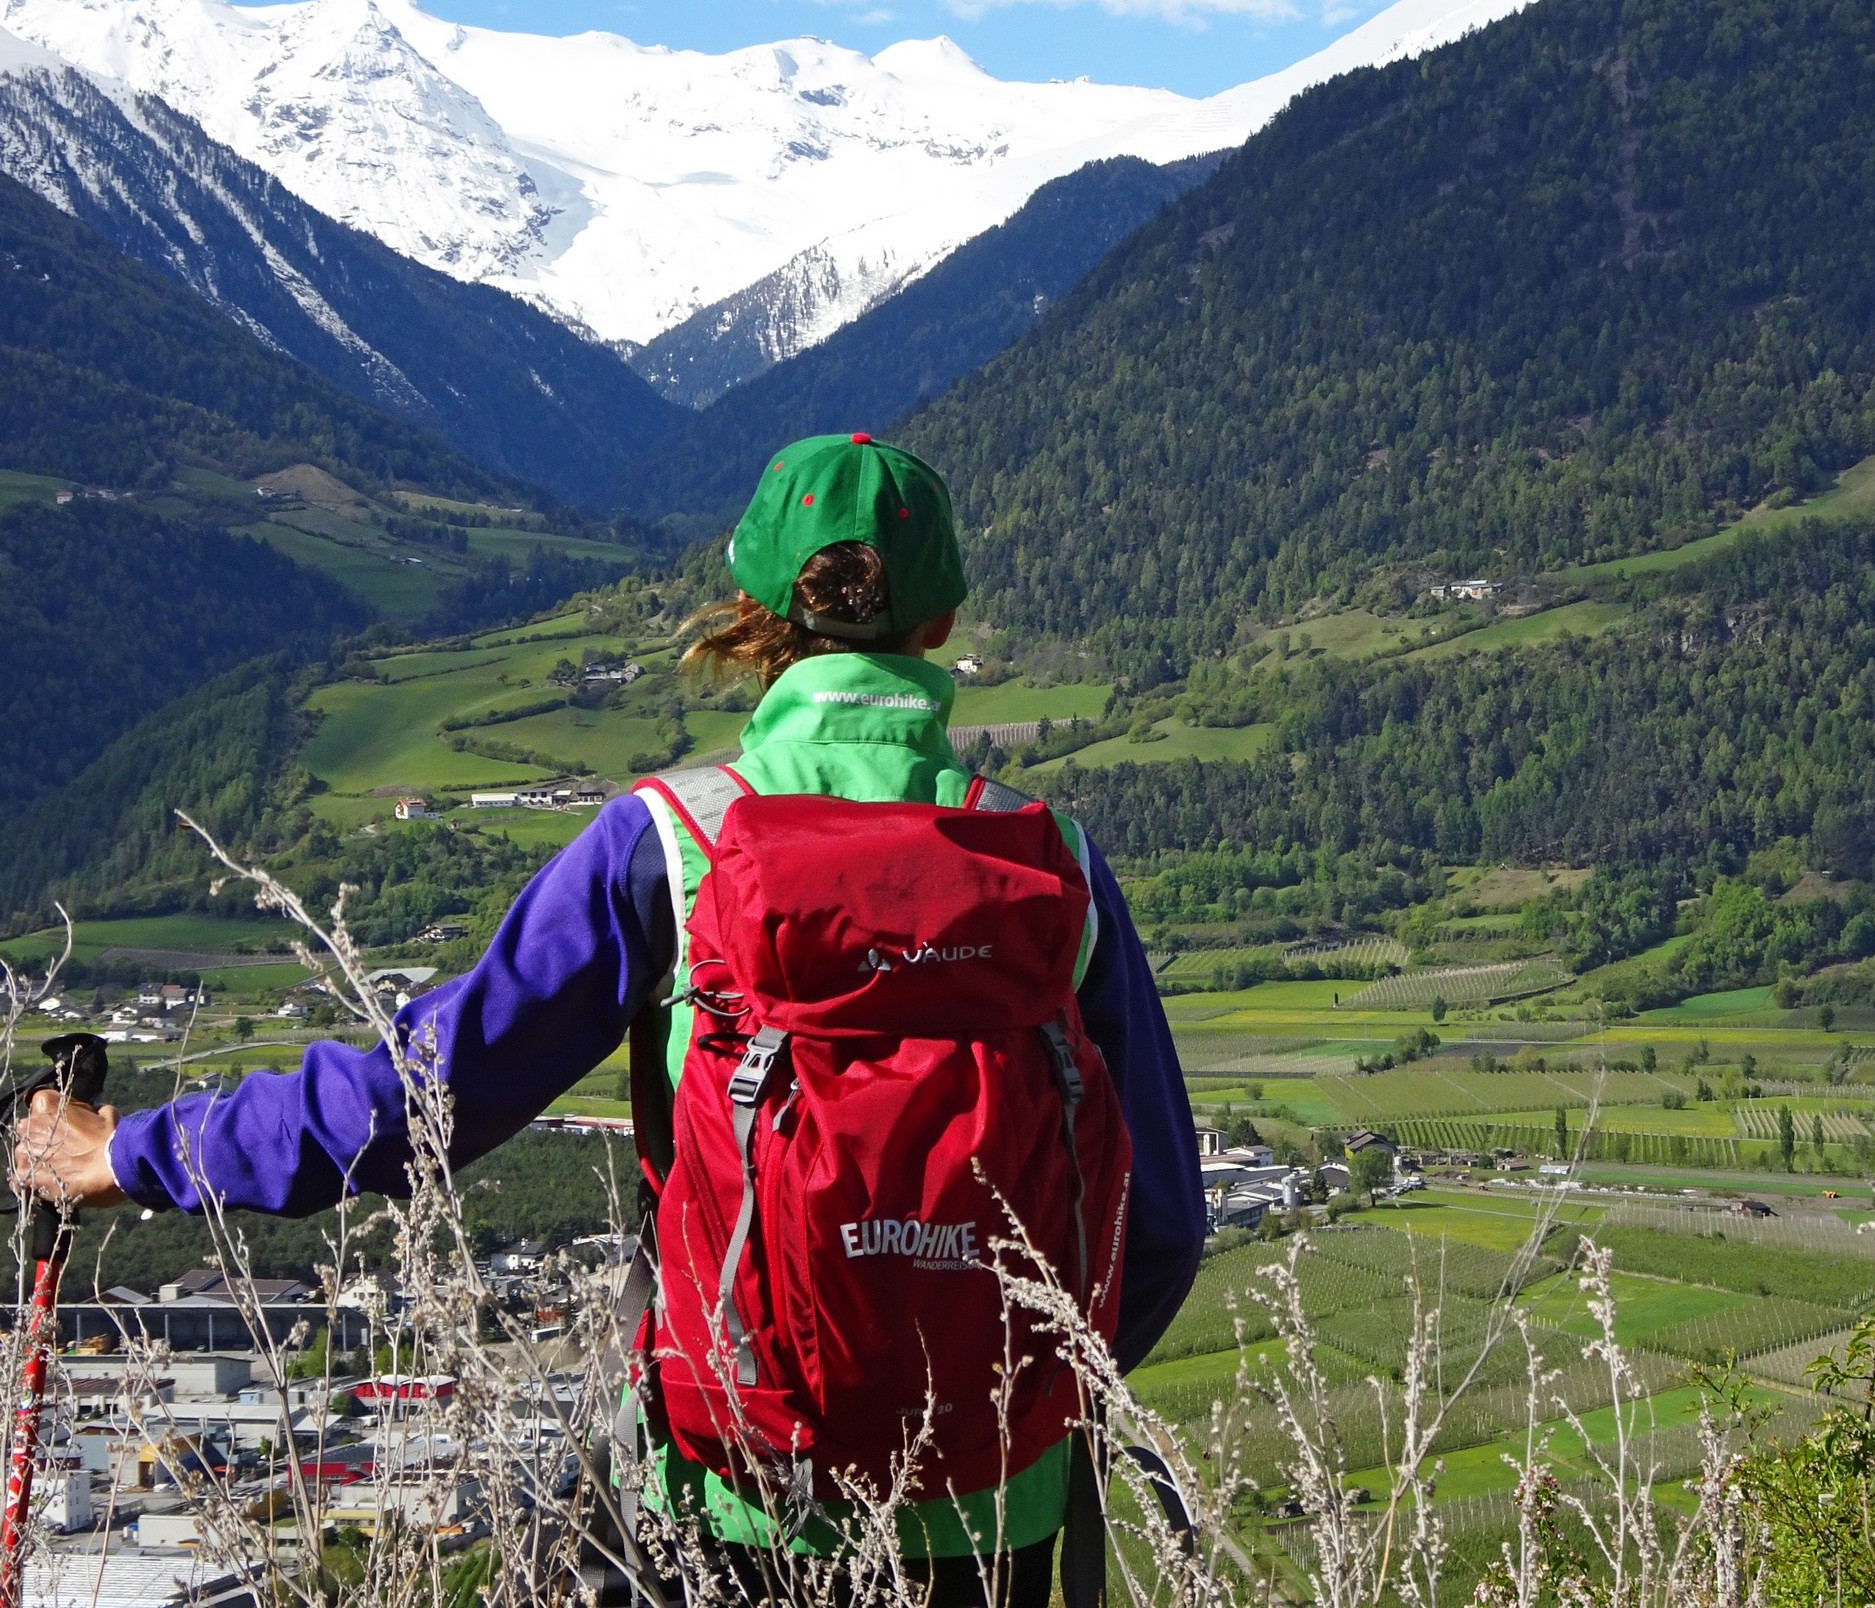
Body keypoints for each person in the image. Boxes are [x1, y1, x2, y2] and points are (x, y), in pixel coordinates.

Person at [13, 433, 1200, 1605]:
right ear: (939, 625)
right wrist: (1011, 1415)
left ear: (752, 612)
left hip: (731, 1490)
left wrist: (131, 1151)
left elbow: (417, 1101)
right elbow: (1159, 1228)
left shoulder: (674, 844)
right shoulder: (1053, 870)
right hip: (991, 1520)